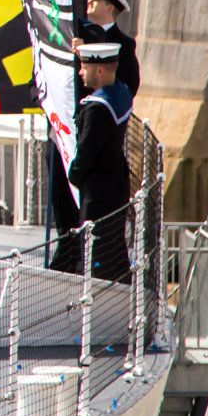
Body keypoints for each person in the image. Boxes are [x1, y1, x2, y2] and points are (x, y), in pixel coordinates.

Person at [68, 42, 134, 282]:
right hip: (116, 183)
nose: (80, 72)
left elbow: (86, 151)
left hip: (98, 193)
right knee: (115, 250)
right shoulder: (122, 93)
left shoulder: (98, 108)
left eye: (84, 67)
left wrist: (73, 175)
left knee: (95, 257)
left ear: (99, 71)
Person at [73, 0, 140, 96]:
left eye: (96, 0)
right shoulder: (78, 33)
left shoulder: (124, 44)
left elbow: (129, 87)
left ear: (109, 8)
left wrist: (85, 54)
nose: (89, 2)